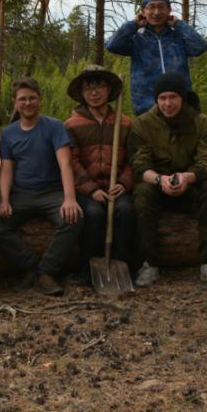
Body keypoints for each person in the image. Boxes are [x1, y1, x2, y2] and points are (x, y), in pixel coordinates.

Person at [0, 77, 82, 296]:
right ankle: (31, 264)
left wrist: (69, 198)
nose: (27, 103)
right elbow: (6, 170)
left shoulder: (54, 126)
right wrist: (4, 200)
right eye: (22, 99)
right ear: (15, 103)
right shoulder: (8, 133)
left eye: (32, 98)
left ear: (40, 101)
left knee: (74, 218)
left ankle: (46, 272)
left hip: (52, 192)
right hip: (22, 194)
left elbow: (65, 163)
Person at [129, 73, 207, 288]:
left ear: (182, 98)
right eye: (162, 97)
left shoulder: (200, 122)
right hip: (156, 185)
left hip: (191, 184)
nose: (167, 103)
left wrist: (187, 177)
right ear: (156, 99)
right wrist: (159, 180)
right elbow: (139, 166)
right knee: (141, 194)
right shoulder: (143, 124)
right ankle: (148, 263)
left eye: (173, 97)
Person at [63, 65, 134, 286]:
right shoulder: (71, 125)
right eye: (88, 88)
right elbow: (71, 162)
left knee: (126, 211)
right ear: (82, 93)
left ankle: (124, 266)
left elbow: (135, 159)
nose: (94, 93)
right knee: (93, 215)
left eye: (99, 86)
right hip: (88, 189)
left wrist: (124, 183)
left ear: (109, 90)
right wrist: (91, 189)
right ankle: (87, 269)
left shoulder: (124, 123)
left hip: (116, 186)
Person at [105, 0, 207, 115]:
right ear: (143, 11)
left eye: (161, 7)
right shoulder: (136, 39)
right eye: (151, 7)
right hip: (146, 107)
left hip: (180, 105)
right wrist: (134, 24)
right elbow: (112, 45)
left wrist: (179, 24)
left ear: (169, 10)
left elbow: (200, 47)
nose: (156, 12)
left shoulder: (178, 37)